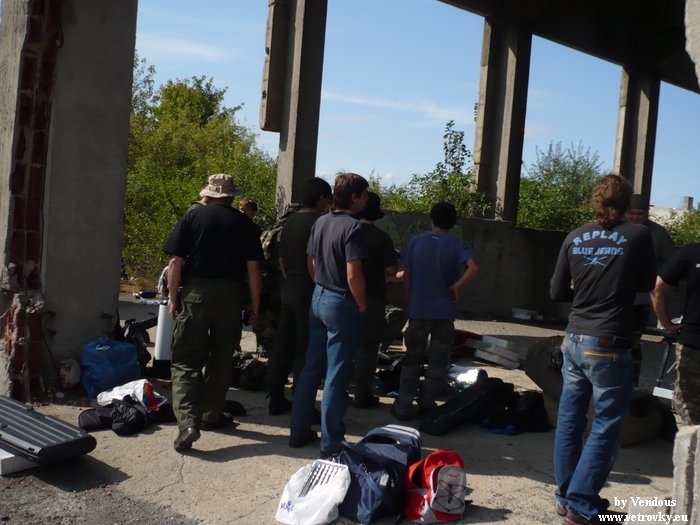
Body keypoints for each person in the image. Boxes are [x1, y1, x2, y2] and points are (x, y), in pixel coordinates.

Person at [550, 174, 656, 524]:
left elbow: (557, 292)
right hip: (608, 342)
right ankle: (581, 504)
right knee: (606, 423)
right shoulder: (638, 235)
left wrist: (586, 288)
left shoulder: (574, 236)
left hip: (573, 339)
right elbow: (646, 282)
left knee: (570, 420)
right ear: (626, 203)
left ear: (594, 201)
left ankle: (566, 497)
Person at [163, 174, 263, 452]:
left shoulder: (192, 217)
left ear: (208, 193)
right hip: (231, 297)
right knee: (221, 359)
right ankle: (211, 415)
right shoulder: (245, 223)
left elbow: (175, 261)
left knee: (186, 360)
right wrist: (254, 305)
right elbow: (254, 271)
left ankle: (188, 424)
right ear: (231, 197)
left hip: (195, 294)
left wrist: (173, 298)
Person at [289, 172, 369, 457]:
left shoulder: (321, 221)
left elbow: (311, 261)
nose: (366, 200)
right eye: (364, 195)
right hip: (341, 301)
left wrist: (320, 284)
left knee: (311, 367)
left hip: (319, 297)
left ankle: (298, 431)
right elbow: (353, 273)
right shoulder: (354, 227)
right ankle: (331, 442)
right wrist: (361, 303)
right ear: (354, 197)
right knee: (336, 373)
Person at [392, 201, 480, 420]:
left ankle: (403, 405)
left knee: (412, 358)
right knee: (439, 360)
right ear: (453, 222)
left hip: (419, 310)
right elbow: (474, 268)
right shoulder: (457, 244)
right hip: (444, 312)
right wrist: (457, 286)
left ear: (431, 219)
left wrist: (409, 299)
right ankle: (427, 401)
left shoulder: (416, 242)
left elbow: (405, 274)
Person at [266, 177, 332, 415]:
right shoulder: (320, 223)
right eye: (328, 198)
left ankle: (275, 397)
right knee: (306, 348)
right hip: (308, 288)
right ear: (321, 198)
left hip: (289, 287)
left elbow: (281, 259)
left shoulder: (291, 221)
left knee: (283, 344)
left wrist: (288, 280)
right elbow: (319, 260)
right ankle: (302, 403)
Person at [352, 192, 402, 408]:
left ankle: (338, 390)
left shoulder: (346, 231)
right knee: (368, 349)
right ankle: (362, 395)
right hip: (372, 298)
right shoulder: (382, 238)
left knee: (341, 346)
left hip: (343, 296)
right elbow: (392, 272)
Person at [625, 194, 674, 386]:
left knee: (632, 344)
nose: (635, 217)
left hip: (641, 300)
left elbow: (670, 266)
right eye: (631, 213)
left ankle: (631, 385)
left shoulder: (658, 234)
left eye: (639, 214)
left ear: (647, 213)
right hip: (615, 296)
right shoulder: (617, 229)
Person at [650, 243, 700, 425]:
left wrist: (666, 324)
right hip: (693, 343)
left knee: (690, 412)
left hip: (693, 344)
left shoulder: (693, 252)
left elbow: (656, 288)